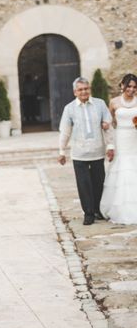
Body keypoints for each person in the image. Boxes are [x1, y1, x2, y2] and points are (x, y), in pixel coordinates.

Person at [58, 76, 114, 226]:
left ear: (89, 89)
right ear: (75, 92)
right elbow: (65, 131)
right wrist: (61, 151)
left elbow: (108, 124)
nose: (84, 92)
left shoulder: (100, 104)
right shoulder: (69, 108)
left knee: (98, 182)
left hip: (97, 151)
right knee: (84, 184)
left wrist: (110, 146)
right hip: (79, 153)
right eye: (80, 89)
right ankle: (88, 213)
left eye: (86, 88)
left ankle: (97, 210)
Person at [100, 74, 137, 224]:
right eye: (129, 86)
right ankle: (121, 209)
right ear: (122, 85)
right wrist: (106, 128)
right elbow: (109, 123)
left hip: (135, 138)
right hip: (120, 138)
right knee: (122, 168)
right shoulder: (114, 102)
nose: (131, 89)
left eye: (134, 87)